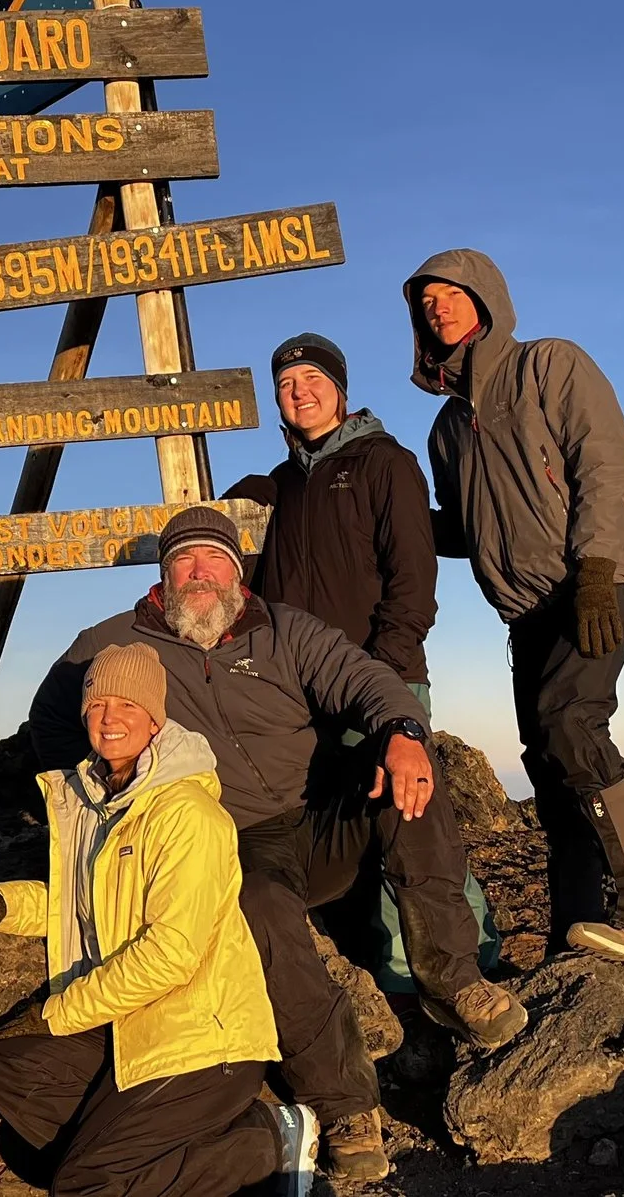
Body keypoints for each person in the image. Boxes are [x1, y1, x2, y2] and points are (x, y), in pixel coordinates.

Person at [20, 505, 448, 1182]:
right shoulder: (116, 641)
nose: (200, 573)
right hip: (241, 838)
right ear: (164, 578)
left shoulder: (284, 628)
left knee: (412, 773)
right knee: (259, 908)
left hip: (318, 814)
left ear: (237, 572)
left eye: (213, 559)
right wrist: (101, 787)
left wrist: (404, 731)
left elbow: (363, 677)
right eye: (183, 561)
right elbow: (50, 715)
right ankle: (343, 1104)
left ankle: (454, 976)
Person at [222, 334, 519, 1047]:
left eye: (311, 379)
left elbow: (413, 580)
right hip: (301, 694)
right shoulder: (282, 486)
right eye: (286, 383)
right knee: (353, 825)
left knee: (410, 813)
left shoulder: (385, 462)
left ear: (340, 388)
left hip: (380, 678)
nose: (299, 392)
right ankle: (395, 970)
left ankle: (462, 967)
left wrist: (381, 673)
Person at [0, 643, 317, 1197]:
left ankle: (263, 1142)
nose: (110, 718)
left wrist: (56, 1013)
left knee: (83, 1184)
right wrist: (8, 905)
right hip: (128, 1022)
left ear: (155, 718)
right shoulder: (94, 799)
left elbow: (170, 955)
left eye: (127, 705)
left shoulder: (187, 813)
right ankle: (168, 1151)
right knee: (3, 1068)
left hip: (200, 1037)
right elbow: (86, 902)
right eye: (97, 704)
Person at [404, 248, 624, 967]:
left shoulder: (548, 364)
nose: (438, 307)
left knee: (572, 726)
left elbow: (607, 465)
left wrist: (597, 569)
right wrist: (391, 522)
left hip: (591, 584)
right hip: (525, 612)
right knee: (550, 769)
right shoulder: (446, 429)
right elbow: (464, 529)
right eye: (425, 302)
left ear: (485, 298)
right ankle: (575, 931)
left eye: (450, 293)